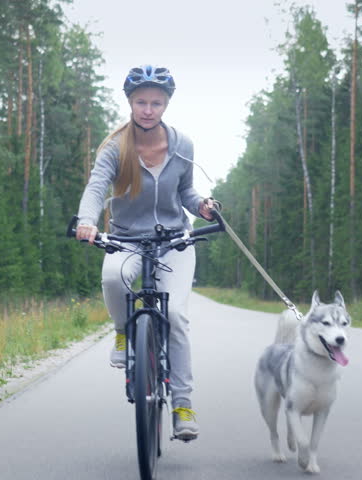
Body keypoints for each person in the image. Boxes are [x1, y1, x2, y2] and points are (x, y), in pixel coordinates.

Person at [75, 64, 216, 441]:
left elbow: (186, 192)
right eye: (141, 102)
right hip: (125, 237)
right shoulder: (114, 147)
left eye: (156, 103)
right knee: (112, 276)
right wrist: (87, 220)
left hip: (174, 240)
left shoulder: (182, 144)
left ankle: (183, 404)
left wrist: (202, 205)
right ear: (131, 103)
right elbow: (96, 186)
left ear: (166, 104)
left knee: (177, 316)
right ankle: (123, 332)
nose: (148, 110)